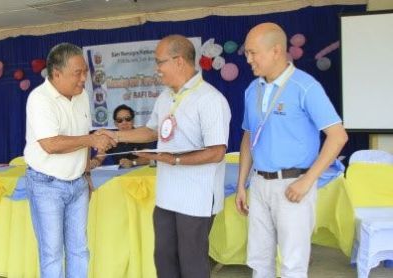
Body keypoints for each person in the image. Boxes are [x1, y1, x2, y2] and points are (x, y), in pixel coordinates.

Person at [98, 34, 231, 277]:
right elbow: (151, 130)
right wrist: (115, 136)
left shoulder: (211, 99)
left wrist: (174, 160)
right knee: (164, 260)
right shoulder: (165, 96)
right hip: (167, 195)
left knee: (192, 264)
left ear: (179, 61)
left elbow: (216, 152)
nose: (157, 69)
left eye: (160, 62)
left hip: (197, 197)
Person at [234, 22, 348, 278]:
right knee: (259, 260)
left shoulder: (305, 86)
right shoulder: (252, 89)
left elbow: (338, 136)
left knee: (292, 264)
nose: (248, 59)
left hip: (293, 186)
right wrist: (242, 184)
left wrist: (308, 180)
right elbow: (249, 136)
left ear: (276, 51)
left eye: (253, 53)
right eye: (247, 53)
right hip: (259, 184)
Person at [24, 42, 116, 278]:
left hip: (77, 184)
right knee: (52, 254)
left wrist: (86, 174)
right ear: (57, 73)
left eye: (85, 71)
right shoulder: (40, 99)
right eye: (78, 73)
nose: (84, 78)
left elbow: (84, 138)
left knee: (79, 250)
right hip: (47, 185)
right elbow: (51, 144)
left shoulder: (82, 96)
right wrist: (92, 140)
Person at [90, 104, 152, 169]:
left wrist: (132, 162)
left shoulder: (141, 135)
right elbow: (100, 155)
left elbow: (149, 157)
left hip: (141, 174)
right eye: (120, 120)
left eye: (128, 119)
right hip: (119, 175)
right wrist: (95, 162)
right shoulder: (111, 137)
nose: (124, 122)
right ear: (115, 124)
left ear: (133, 121)